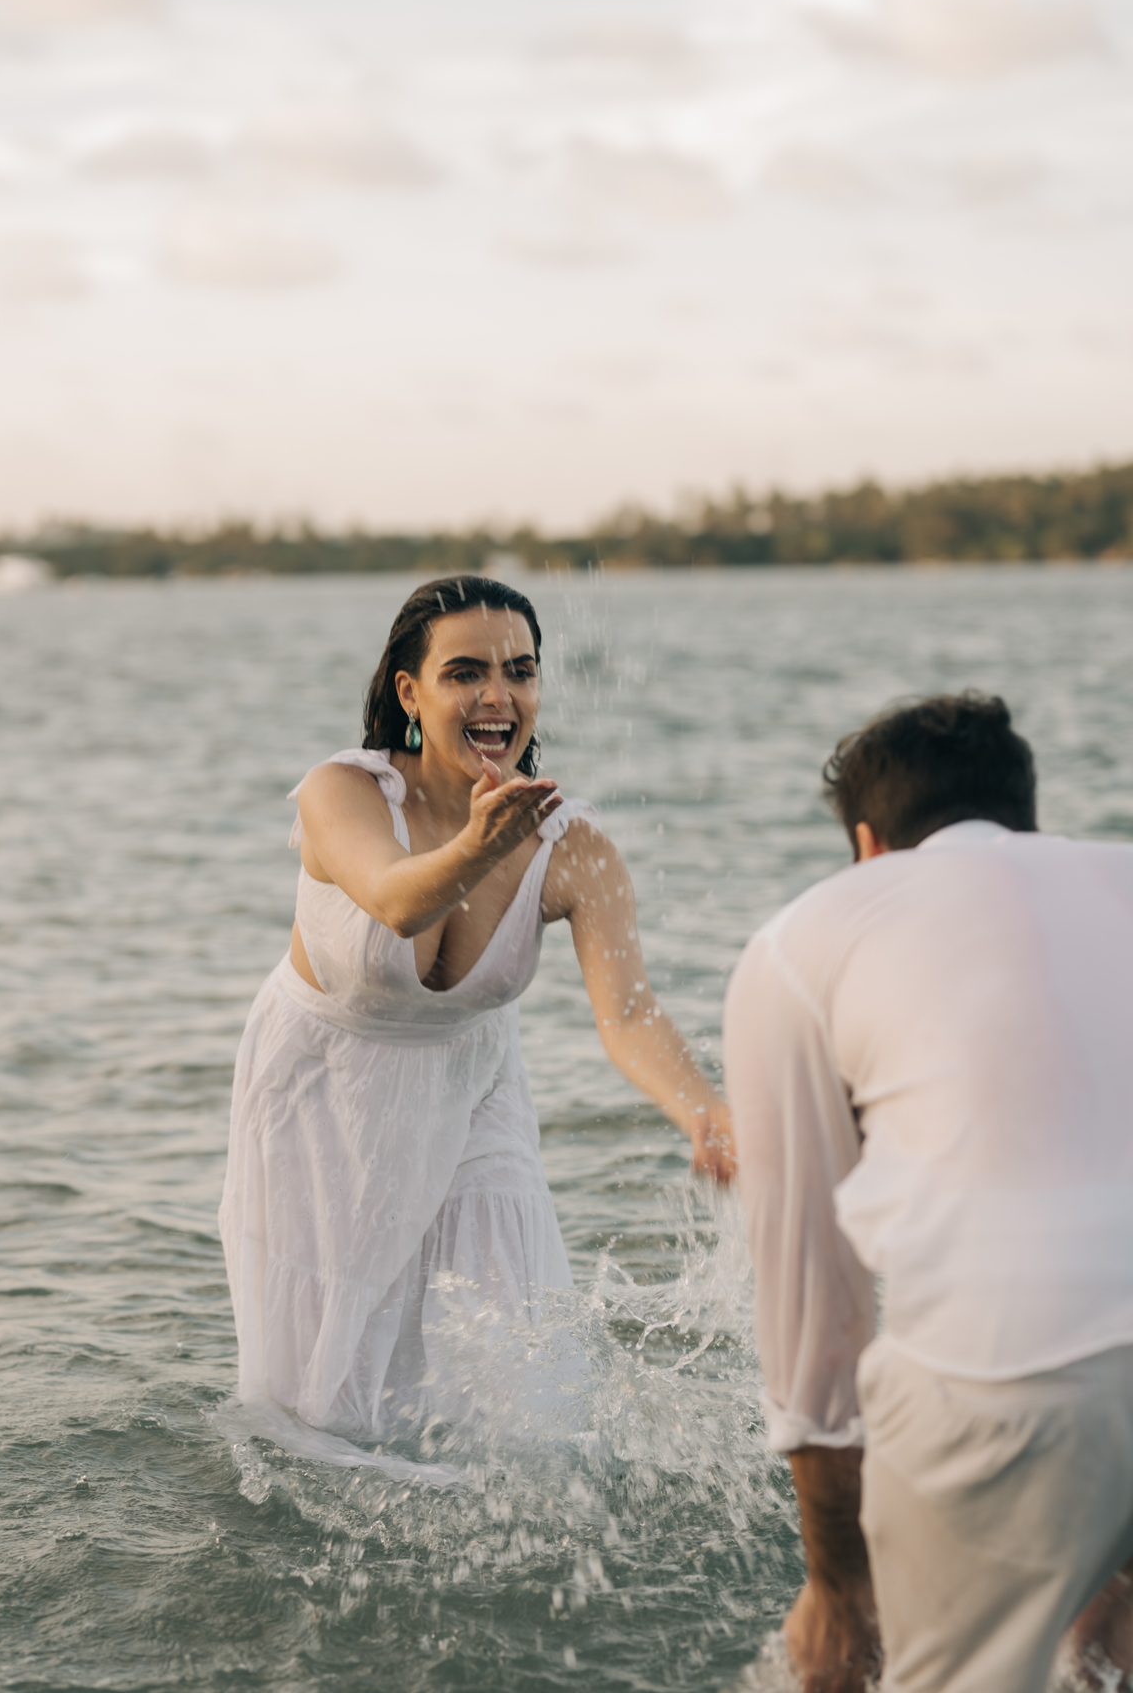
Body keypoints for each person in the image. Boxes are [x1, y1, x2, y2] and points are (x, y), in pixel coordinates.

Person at [220, 574, 733, 1441]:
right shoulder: (339, 794)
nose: (499, 695)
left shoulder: (574, 845)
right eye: (465, 673)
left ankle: (513, 1509)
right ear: (409, 692)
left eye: (521, 672)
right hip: (324, 1087)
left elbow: (631, 1016)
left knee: (510, 1368)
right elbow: (393, 899)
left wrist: (707, 1113)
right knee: (327, 1397)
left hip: (475, 1079)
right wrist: (473, 845)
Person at [722, 692, 1133, 1693]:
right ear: (1026, 818)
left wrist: (839, 1590)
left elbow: (815, 1314)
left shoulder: (801, 938)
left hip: (1009, 1380)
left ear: (868, 845)